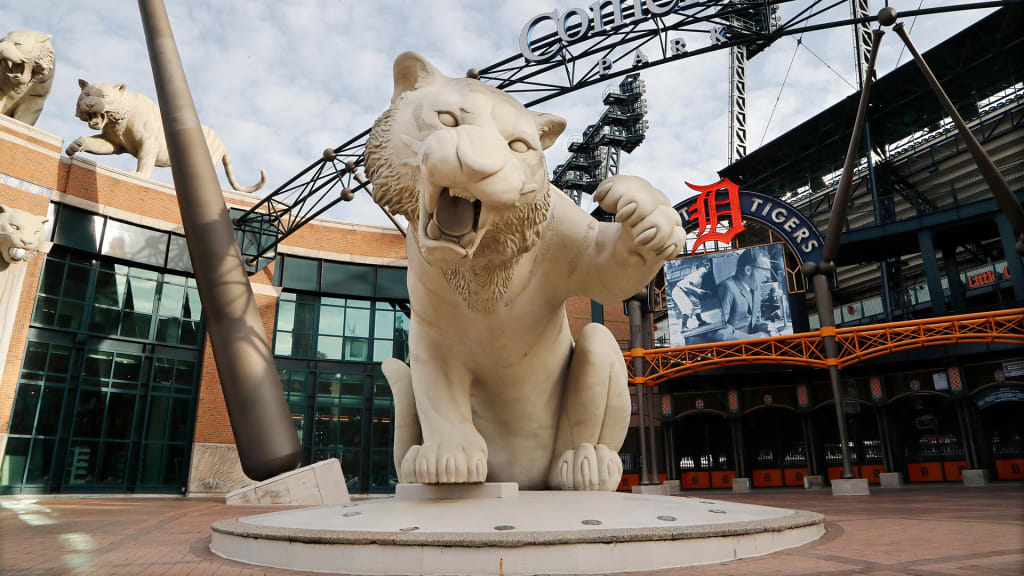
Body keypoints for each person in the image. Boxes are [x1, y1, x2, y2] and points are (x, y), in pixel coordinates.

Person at [717, 249, 772, 339]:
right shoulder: (727, 287)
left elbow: (756, 320)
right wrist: (751, 338)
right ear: (748, 270)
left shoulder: (756, 288)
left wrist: (766, 329)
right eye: (765, 270)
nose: (768, 275)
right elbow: (718, 329)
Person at [670, 264, 709, 329]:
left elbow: (693, 291)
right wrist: (697, 290)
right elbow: (685, 285)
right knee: (688, 307)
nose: (705, 269)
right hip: (678, 290)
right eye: (704, 267)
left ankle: (701, 322)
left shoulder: (700, 279)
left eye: (706, 268)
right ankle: (684, 327)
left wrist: (699, 293)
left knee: (696, 303)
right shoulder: (695, 274)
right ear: (699, 268)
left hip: (686, 292)